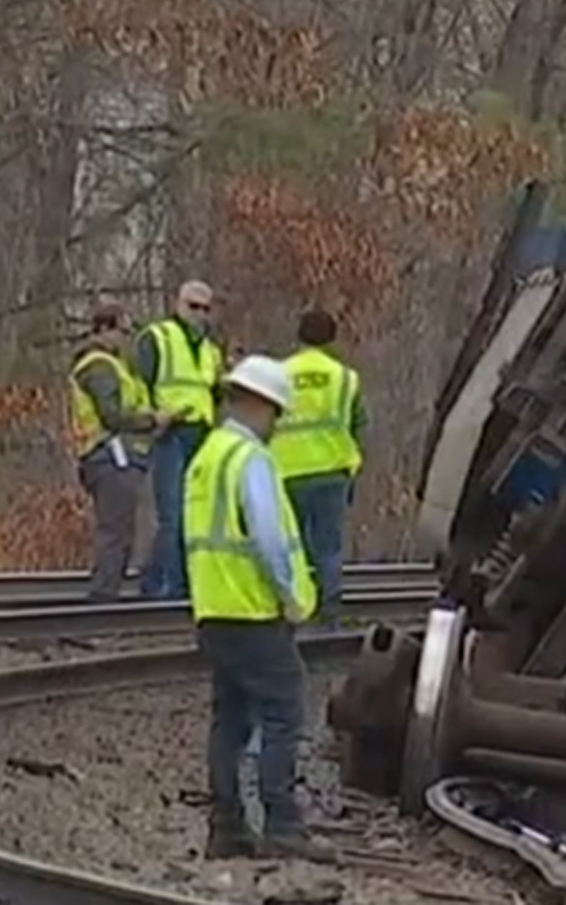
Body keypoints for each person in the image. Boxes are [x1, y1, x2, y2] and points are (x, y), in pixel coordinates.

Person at [185, 354, 332, 863]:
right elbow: (269, 539)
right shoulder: (251, 460)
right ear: (265, 406)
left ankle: (226, 829)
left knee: (229, 720)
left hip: (213, 610)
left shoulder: (206, 456)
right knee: (284, 712)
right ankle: (283, 825)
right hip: (253, 611)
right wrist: (292, 597)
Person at [268, 310, 365, 626]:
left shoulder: (279, 374)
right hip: (332, 470)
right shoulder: (344, 378)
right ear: (332, 339)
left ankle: (294, 607)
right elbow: (359, 423)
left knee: (289, 545)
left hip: (287, 471)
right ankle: (330, 612)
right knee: (329, 546)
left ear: (299, 337)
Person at [69, 304, 171, 601]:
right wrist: (152, 420)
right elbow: (111, 415)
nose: (126, 338)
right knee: (115, 533)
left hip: (115, 456)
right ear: (104, 329)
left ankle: (106, 596)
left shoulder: (113, 365)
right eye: (122, 330)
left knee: (120, 531)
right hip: (110, 456)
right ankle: (103, 601)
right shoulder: (99, 366)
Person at [135, 280, 225, 601]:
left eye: (205, 308)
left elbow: (213, 393)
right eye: (193, 306)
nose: (199, 314)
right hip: (169, 432)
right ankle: (165, 588)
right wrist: (150, 420)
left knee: (193, 515)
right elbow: (138, 384)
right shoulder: (157, 338)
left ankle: (172, 584)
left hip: (201, 435)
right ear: (177, 304)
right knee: (172, 514)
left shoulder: (211, 351)